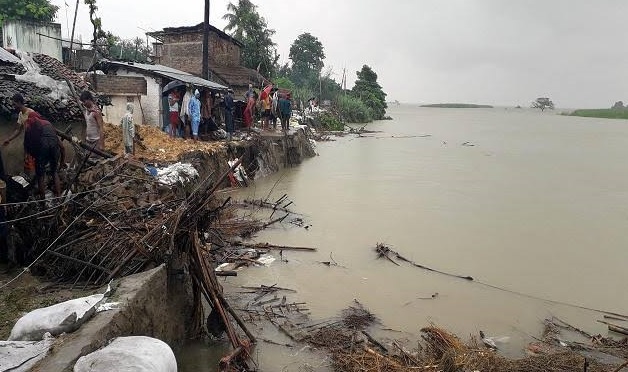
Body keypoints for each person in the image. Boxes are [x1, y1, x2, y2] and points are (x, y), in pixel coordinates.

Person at [12, 94, 65, 198]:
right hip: (54, 147)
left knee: (40, 175)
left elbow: (28, 143)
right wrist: (62, 163)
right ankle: (59, 198)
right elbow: (62, 147)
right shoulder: (48, 124)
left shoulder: (30, 124)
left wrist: (30, 156)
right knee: (54, 173)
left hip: (42, 147)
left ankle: (43, 202)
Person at [3, 97, 35, 178]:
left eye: (14, 104)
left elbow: (38, 128)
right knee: (26, 160)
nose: (13, 106)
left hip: (35, 140)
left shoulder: (31, 112)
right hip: (27, 140)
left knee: (33, 160)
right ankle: (27, 177)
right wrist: (9, 139)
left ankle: (34, 178)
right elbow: (18, 130)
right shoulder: (21, 114)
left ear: (20, 102)